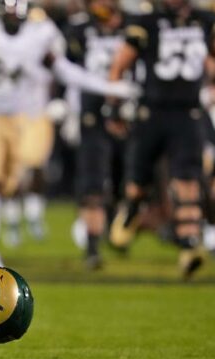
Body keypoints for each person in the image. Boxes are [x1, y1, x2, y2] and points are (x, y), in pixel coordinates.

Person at [0, 0, 139, 270]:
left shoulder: (40, 34)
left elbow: (64, 71)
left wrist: (108, 87)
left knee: (12, 182)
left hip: (22, 118)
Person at [106, 0, 215, 279]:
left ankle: (189, 247)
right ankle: (132, 207)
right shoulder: (146, 22)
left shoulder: (203, 19)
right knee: (138, 184)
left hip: (188, 113)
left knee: (187, 181)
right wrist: (114, 107)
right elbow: (120, 63)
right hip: (151, 112)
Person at [64, 0, 129, 269]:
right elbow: (66, 70)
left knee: (133, 184)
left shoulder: (135, 25)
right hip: (93, 116)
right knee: (93, 185)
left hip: (131, 113)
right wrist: (69, 107)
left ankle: (122, 230)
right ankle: (93, 246)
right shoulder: (80, 30)